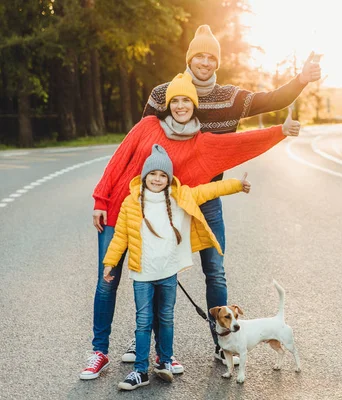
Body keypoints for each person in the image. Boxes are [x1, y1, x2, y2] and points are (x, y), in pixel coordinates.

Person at [79, 71, 301, 380]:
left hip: (153, 226)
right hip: (118, 211)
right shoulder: (147, 127)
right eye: (175, 100)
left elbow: (240, 144)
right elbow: (119, 160)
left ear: (194, 105)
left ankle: (159, 353)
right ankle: (99, 351)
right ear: (168, 104)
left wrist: (280, 131)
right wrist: (100, 200)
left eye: (187, 100)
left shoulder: (202, 144)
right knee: (108, 281)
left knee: (155, 284)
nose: (181, 106)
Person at [139, 24, 321, 364]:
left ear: (216, 63)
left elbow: (272, 99)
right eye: (199, 56)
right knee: (155, 273)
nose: (205, 62)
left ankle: (221, 347)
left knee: (215, 271)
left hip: (207, 200)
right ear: (189, 59)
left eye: (211, 57)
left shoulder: (229, 98)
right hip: (166, 202)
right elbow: (141, 145)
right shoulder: (163, 94)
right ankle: (144, 345)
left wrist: (301, 79)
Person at [103, 144, 251, 391]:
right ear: (144, 176)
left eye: (163, 175)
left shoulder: (179, 197)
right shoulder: (131, 203)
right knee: (143, 321)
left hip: (168, 274)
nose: (158, 179)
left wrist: (236, 184)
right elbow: (120, 237)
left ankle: (165, 362)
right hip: (142, 274)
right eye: (153, 174)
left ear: (169, 179)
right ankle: (140, 370)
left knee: (167, 319)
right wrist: (110, 263)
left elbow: (209, 189)